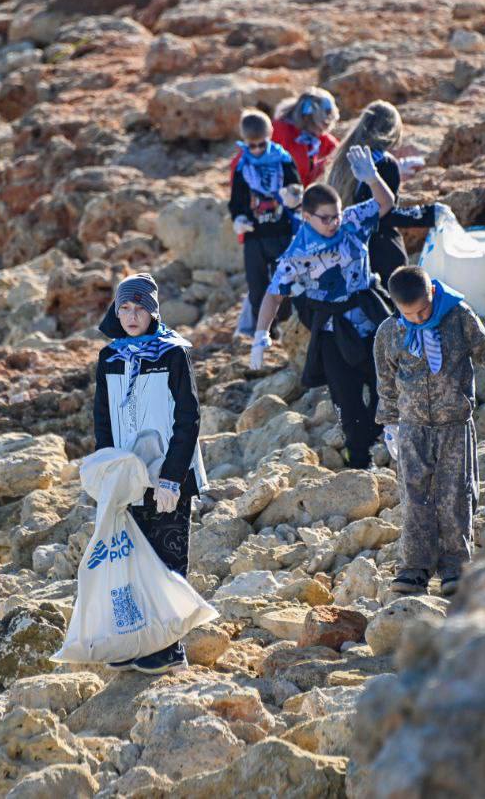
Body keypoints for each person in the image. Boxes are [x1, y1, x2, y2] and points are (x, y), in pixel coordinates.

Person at [374, 265, 485, 598]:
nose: (419, 319)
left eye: (424, 311)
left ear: (432, 293)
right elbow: (386, 382)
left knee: (457, 495)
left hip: (454, 425)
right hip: (412, 428)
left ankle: (455, 568)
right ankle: (414, 569)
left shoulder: (458, 316)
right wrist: (389, 423)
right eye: (410, 314)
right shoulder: (389, 332)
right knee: (414, 497)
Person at [249, 146, 396, 469]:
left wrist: (373, 179)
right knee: (346, 397)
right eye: (325, 218)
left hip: (370, 315)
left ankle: (389, 436)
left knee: (386, 381)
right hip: (333, 328)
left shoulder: (352, 221)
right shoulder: (298, 252)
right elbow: (274, 295)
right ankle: (360, 460)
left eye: (336, 215)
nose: (333, 223)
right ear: (307, 217)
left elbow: (385, 203)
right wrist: (260, 335)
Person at [93, 273, 206, 675]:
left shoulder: (173, 353)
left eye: (139, 308)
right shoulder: (110, 358)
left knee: (167, 560)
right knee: (128, 560)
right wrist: (107, 471)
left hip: (169, 476)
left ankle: (170, 647)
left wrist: (172, 476)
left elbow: (188, 417)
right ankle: (135, 641)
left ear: (153, 312)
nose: (131, 316)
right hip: (128, 477)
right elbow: (103, 420)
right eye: (124, 307)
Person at [324, 100, 438, 289]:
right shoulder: (385, 163)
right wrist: (429, 214)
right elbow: (384, 211)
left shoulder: (345, 157)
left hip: (347, 250)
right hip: (381, 252)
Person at [228, 109, 302, 336]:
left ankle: (285, 327)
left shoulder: (283, 159)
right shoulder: (242, 166)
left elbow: (296, 187)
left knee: (285, 282)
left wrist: (294, 197)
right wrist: (238, 218)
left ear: (270, 136)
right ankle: (263, 331)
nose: (258, 150)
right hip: (255, 235)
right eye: (252, 146)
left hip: (281, 232)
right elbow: (236, 200)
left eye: (262, 144)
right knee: (256, 287)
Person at [271, 88, 340, 184]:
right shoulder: (280, 130)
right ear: (307, 118)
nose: (321, 131)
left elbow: (338, 154)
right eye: (318, 124)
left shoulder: (322, 139)